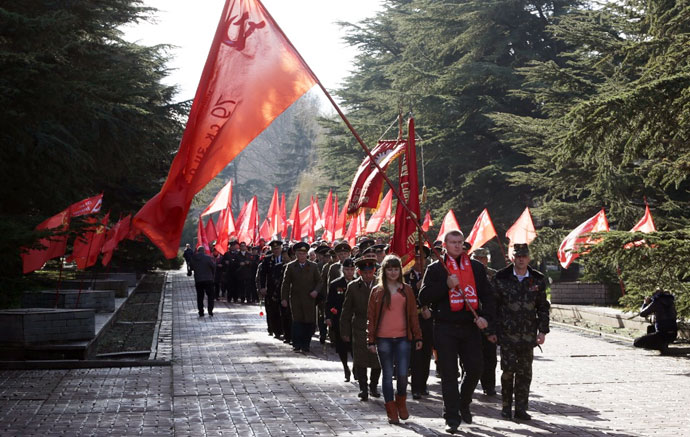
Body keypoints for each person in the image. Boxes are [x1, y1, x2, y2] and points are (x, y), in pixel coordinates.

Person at [418, 230, 496, 433]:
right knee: (449, 374)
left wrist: (485, 317)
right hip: (445, 327)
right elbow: (423, 297)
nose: (457, 246)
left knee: (476, 368)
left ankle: (463, 402)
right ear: (445, 245)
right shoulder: (436, 268)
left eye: (460, 242)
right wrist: (446, 285)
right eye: (452, 242)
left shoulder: (477, 268)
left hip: (470, 326)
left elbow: (489, 296)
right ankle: (451, 416)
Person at [493, 243, 549, 421]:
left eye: (524, 256)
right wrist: (491, 331)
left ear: (529, 258)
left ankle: (521, 408)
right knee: (508, 371)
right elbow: (492, 306)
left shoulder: (537, 278)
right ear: (512, 258)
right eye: (518, 256)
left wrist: (542, 331)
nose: (521, 259)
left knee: (525, 373)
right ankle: (506, 406)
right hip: (507, 334)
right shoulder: (501, 277)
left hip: (528, 335)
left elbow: (543, 307)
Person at [367, 255, 423, 424]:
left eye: (396, 269)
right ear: (384, 271)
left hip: (403, 338)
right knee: (388, 374)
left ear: (400, 270)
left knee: (403, 374)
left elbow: (413, 314)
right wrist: (370, 340)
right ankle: (391, 409)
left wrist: (418, 336)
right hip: (383, 338)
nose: (393, 272)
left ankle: (401, 402)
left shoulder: (406, 289)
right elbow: (371, 317)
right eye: (390, 269)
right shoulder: (377, 290)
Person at [340, 255, 382, 401]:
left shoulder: (381, 285)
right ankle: (363, 388)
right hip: (359, 326)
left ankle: (374, 385)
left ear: (374, 271)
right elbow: (346, 311)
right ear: (359, 272)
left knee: (377, 360)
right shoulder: (353, 287)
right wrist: (344, 331)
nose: (368, 275)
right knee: (360, 359)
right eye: (365, 273)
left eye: (370, 272)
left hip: (378, 326)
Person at [281, 242, 322, 353]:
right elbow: (285, 284)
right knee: (297, 321)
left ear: (306, 255)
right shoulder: (291, 266)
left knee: (308, 322)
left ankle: (306, 344)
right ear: (296, 254)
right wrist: (284, 298)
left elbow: (319, 281)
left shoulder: (313, 266)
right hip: (296, 298)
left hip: (309, 298)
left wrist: (315, 291)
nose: (301, 256)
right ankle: (297, 344)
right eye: (299, 253)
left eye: (304, 253)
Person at [406, 245, 433, 400]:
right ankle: (416, 386)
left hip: (427, 319)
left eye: (421, 258)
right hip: (412, 319)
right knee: (415, 354)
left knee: (426, 353)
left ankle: (423, 384)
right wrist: (416, 288)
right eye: (416, 258)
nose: (418, 261)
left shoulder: (431, 275)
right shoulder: (406, 275)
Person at [471, 247, 498, 396]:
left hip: (489, 319)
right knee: (470, 356)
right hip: (472, 320)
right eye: (477, 258)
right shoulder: (467, 273)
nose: (480, 261)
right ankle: (469, 382)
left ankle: (489, 385)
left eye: (482, 258)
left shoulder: (494, 275)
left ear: (486, 260)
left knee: (490, 356)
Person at [326, 257, 356, 381]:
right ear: (343, 270)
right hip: (339, 319)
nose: (349, 272)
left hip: (355, 319)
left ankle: (356, 368)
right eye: (347, 269)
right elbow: (329, 302)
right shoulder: (335, 284)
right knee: (342, 346)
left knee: (355, 346)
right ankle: (345, 368)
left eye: (352, 269)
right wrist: (328, 317)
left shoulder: (358, 283)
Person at [633, 288, 678, 353]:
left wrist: (645, 303)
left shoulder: (657, 302)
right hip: (673, 335)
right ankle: (663, 344)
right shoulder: (671, 302)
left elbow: (642, 314)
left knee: (636, 342)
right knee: (652, 328)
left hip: (661, 334)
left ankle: (660, 345)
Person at [257, 240, 286, 340]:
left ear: (281, 248)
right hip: (271, 288)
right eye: (274, 249)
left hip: (283, 288)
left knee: (283, 310)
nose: (276, 250)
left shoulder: (285, 258)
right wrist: (262, 287)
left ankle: (283, 330)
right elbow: (262, 274)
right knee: (272, 310)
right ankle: (275, 330)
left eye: (278, 248)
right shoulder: (267, 259)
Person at [190, 246, 216, 317]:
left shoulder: (194, 258)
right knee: (210, 296)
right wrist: (212, 275)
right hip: (208, 279)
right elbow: (213, 266)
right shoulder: (208, 258)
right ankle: (210, 310)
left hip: (198, 280)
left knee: (200, 296)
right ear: (204, 251)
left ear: (198, 251)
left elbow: (191, 267)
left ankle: (201, 311)